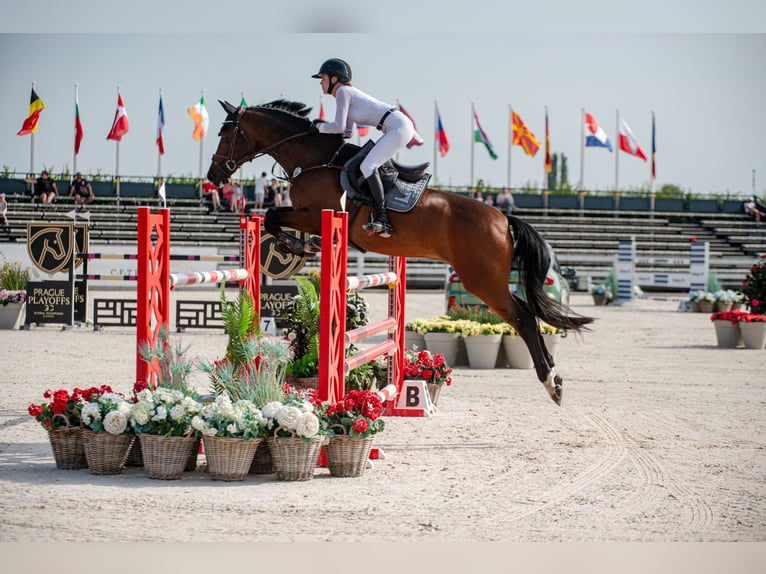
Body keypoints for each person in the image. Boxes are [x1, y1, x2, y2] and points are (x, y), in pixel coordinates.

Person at [311, 57, 417, 238]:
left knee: (367, 166)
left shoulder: (343, 91)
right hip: (395, 125)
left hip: (398, 126)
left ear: (334, 79)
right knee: (366, 163)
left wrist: (317, 127)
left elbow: (336, 126)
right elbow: (346, 131)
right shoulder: (345, 94)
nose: (321, 82)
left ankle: (383, 219)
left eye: (323, 78)